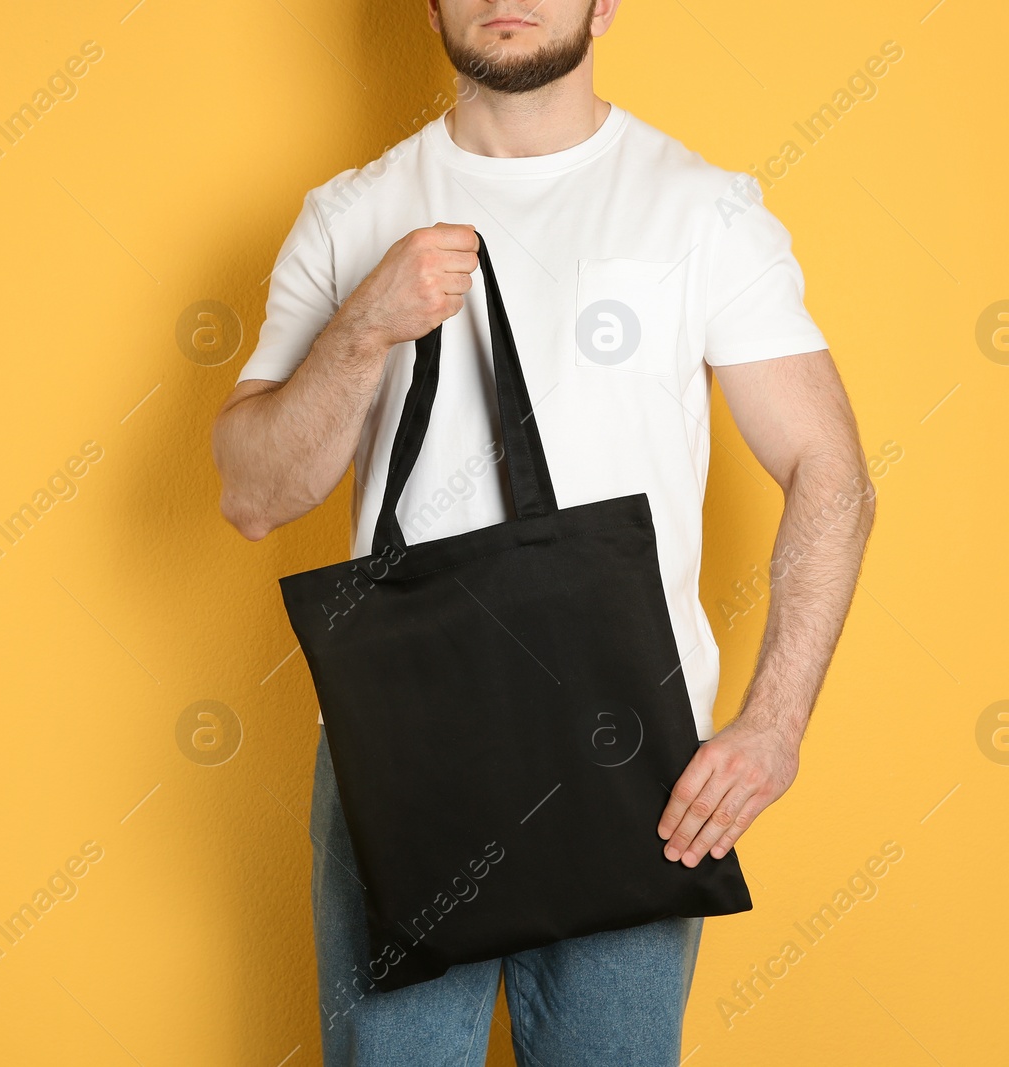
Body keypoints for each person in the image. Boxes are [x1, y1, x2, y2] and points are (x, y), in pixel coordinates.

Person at [211, 1, 875, 1062]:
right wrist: (368, 321)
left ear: (604, 2)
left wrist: (772, 725)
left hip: (637, 764)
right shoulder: (351, 214)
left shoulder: (698, 210)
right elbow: (252, 493)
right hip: (400, 760)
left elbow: (829, 471)